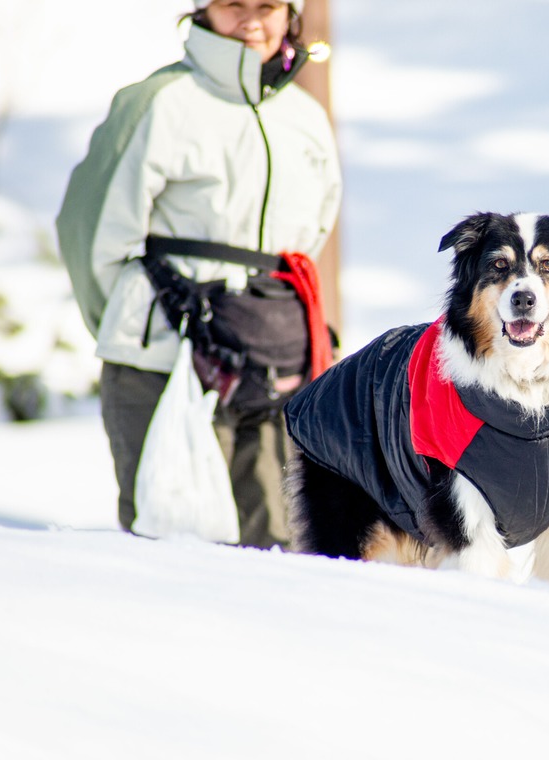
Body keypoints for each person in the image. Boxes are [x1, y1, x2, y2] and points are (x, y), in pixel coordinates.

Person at [56, 0, 342, 549]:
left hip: (275, 364)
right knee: (173, 541)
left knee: (278, 549)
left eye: (268, 7)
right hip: (162, 363)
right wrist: (129, 324)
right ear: (204, 11)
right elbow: (89, 229)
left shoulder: (304, 118)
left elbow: (313, 231)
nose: (252, 21)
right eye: (234, 5)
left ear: (291, 14)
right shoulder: (159, 104)